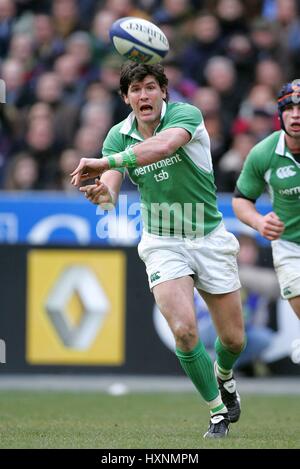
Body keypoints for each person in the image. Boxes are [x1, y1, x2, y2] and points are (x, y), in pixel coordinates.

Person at [71, 62, 246, 439]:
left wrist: (106, 163)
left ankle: (225, 375)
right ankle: (217, 411)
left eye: (150, 87)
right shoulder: (118, 135)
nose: (144, 95)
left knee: (233, 340)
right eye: (135, 90)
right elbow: (111, 191)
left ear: (163, 92)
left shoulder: (186, 115)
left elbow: (162, 146)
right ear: (126, 98)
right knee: (184, 331)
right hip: (162, 240)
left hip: (209, 236)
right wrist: (103, 193)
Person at [233, 80, 300, 320]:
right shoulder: (263, 153)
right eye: (289, 109)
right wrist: (259, 222)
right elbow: (241, 200)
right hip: (290, 246)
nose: (295, 116)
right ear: (280, 116)